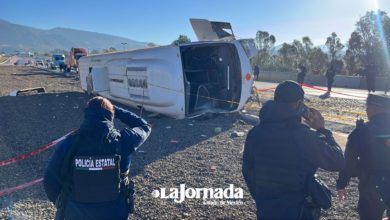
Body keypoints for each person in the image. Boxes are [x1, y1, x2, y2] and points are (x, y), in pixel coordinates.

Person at [242, 80, 344, 220]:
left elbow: (248, 172)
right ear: (299, 104)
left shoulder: (254, 133)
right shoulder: (303, 136)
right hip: (298, 211)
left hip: (266, 210)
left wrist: (263, 199)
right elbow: (337, 161)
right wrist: (322, 130)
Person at [44, 96, 151, 220]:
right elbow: (144, 126)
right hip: (115, 212)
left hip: (75, 212)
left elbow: (49, 180)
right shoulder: (124, 140)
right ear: (111, 115)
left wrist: (62, 203)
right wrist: (117, 111)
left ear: (86, 115)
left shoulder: (69, 143)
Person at [337, 94, 390, 220]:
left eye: (367, 106)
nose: (366, 110)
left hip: (371, 185)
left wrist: (341, 184)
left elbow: (349, 162)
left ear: (374, 108)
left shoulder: (361, 132)